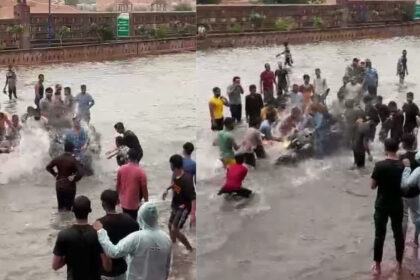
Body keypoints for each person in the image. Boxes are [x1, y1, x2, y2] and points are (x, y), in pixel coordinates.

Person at [93, 202, 171, 280]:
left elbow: (113, 252)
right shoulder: (166, 238)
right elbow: (167, 267)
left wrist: (101, 231)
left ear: (140, 217)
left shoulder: (137, 238)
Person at [52, 196, 111, 279]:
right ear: (90, 211)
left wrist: (68, 257)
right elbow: (107, 267)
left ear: (73, 210)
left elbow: (55, 265)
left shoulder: (64, 235)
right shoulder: (98, 234)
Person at [370, 138, 405, 275]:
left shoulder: (380, 165)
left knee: (379, 235)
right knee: (398, 234)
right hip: (397, 203)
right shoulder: (402, 165)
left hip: (382, 204)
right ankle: (399, 265)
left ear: (385, 148)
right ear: (397, 148)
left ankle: (377, 266)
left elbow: (372, 186)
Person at [96, 190, 140, 280]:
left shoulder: (98, 224)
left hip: (104, 271)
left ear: (102, 205)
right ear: (117, 202)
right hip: (122, 269)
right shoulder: (128, 220)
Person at [162, 154, 196, 251]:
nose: (170, 166)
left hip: (184, 206)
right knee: (169, 225)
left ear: (173, 166)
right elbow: (174, 184)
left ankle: (190, 249)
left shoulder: (187, 180)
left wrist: (193, 214)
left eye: (170, 164)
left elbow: (193, 197)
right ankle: (173, 245)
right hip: (176, 204)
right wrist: (167, 189)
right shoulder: (175, 175)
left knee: (174, 229)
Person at [46, 141, 83, 211]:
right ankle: (68, 221)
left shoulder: (58, 158)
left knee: (60, 207)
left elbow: (48, 167)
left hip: (59, 186)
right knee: (69, 208)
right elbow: (81, 173)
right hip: (70, 186)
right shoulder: (73, 160)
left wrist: (55, 174)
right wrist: (74, 178)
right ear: (72, 149)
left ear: (64, 149)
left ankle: (61, 221)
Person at [399, 134, 420, 247]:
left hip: (402, 192)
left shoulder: (401, 158)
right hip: (415, 192)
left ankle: (401, 242)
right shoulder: (418, 157)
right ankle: (416, 240)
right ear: (414, 143)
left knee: (404, 217)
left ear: (403, 144)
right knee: (417, 216)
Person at [116, 148, 148, 220]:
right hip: (134, 204)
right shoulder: (141, 172)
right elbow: (144, 190)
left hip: (123, 203)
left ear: (128, 157)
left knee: (125, 223)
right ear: (137, 158)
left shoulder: (121, 169)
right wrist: (146, 202)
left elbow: (118, 185)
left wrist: (117, 198)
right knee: (134, 223)